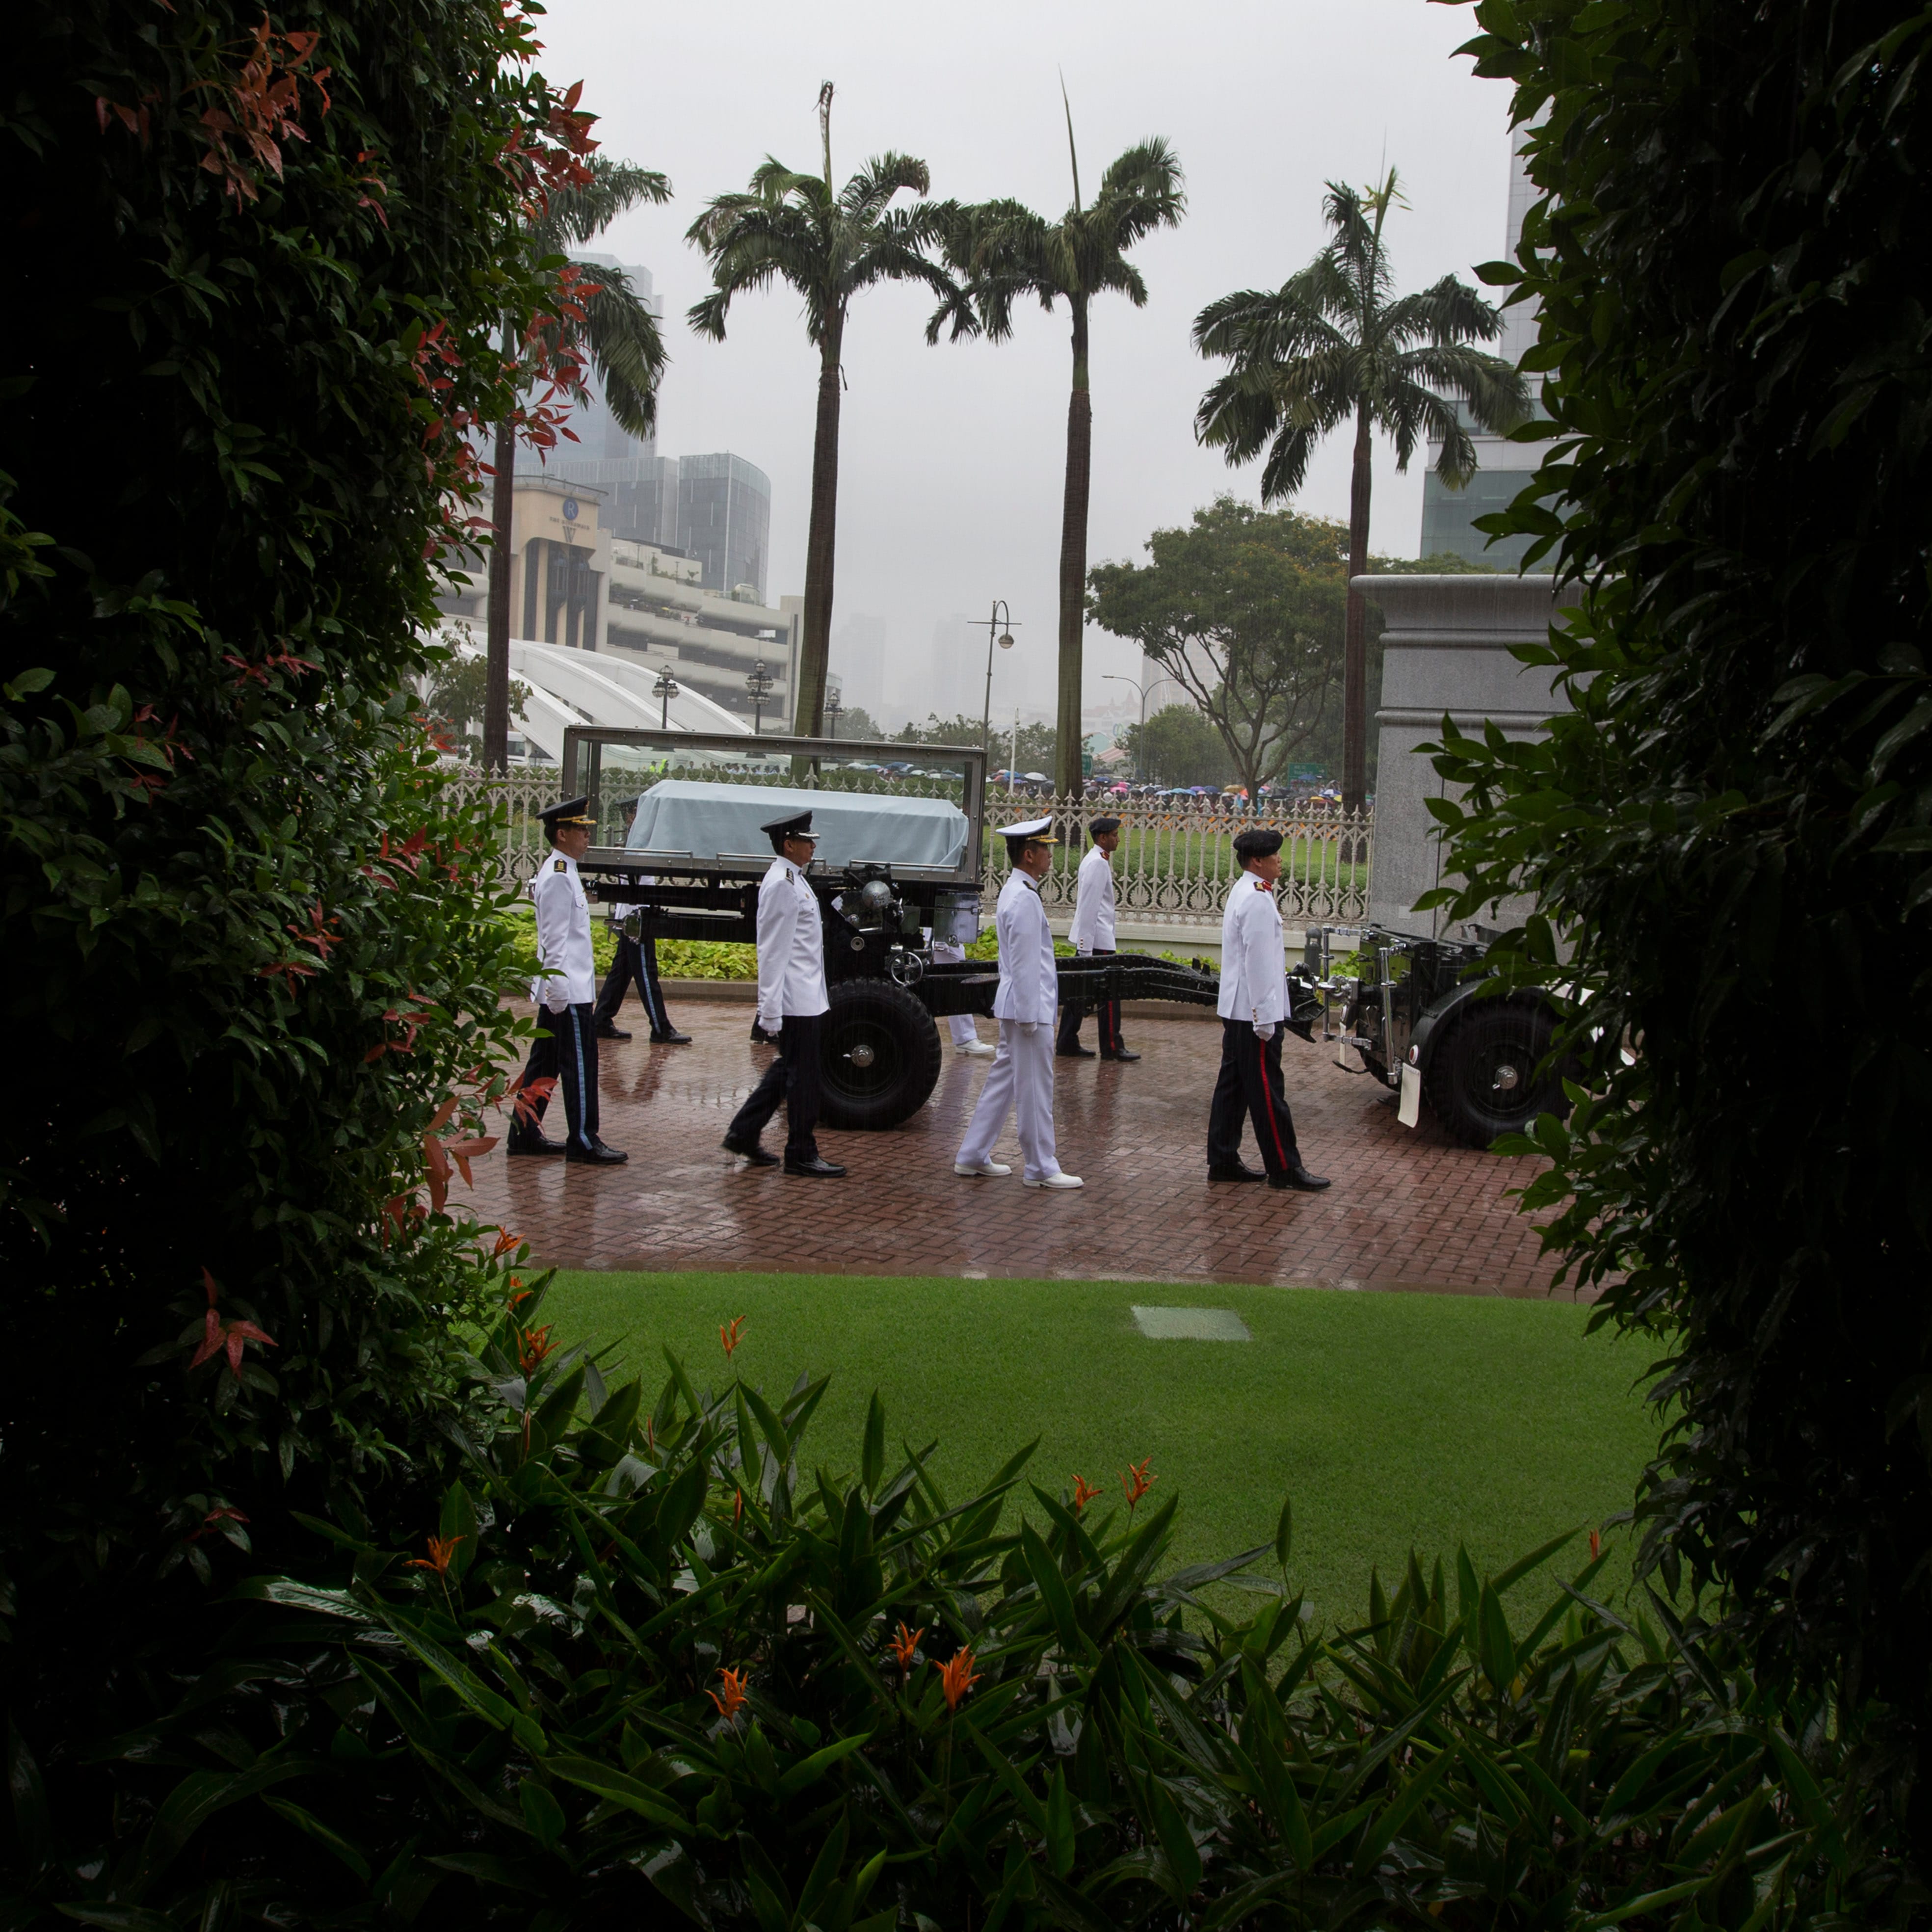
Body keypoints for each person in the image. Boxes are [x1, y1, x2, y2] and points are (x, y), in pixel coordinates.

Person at [954, 819, 1082, 1190]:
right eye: (1045, 849)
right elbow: (1026, 964)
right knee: (1035, 1088)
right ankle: (1041, 1165)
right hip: (1027, 1007)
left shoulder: (1018, 890)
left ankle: (972, 1153)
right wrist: (1031, 1016)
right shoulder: (1023, 896)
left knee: (1004, 1081)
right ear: (1028, 854)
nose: (1049, 856)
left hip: (1017, 1004)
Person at [721, 810, 845, 1177]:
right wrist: (770, 1010)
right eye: (806, 840)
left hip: (805, 995)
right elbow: (772, 951)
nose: (813, 845)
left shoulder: (794, 878)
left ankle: (743, 1133)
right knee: (802, 1078)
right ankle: (801, 1152)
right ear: (788, 844)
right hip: (793, 998)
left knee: (787, 1070)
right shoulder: (781, 883)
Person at [506, 797, 627, 1165]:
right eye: (580, 829)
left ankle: (524, 1134)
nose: (587, 834)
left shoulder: (565, 869)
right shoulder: (559, 874)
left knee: (543, 1065)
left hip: (562, 989)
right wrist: (558, 989)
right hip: (567, 991)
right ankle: (583, 1139)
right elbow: (555, 939)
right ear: (562, 833)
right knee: (579, 1065)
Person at [1206, 827, 1328, 1190]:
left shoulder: (1245, 889)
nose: (1280, 860)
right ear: (1257, 861)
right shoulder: (1256, 898)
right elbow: (1258, 964)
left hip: (1240, 1010)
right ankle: (1284, 1167)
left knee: (1233, 1088)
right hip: (1253, 1014)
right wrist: (1263, 1018)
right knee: (1267, 1091)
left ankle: (1223, 1158)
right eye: (1274, 854)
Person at [593, 795, 691, 1046]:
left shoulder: (640, 837)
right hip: (636, 914)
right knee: (647, 973)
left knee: (622, 971)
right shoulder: (636, 840)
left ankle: (601, 1020)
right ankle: (660, 1027)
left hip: (633, 912)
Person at [1056, 814, 1137, 1062]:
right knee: (1109, 996)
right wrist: (1086, 948)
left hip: (1093, 940)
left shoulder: (1096, 860)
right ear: (1103, 838)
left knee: (1079, 992)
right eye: (1114, 836)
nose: (1118, 840)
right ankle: (1112, 1046)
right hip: (1097, 942)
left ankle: (1067, 1040)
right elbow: (1089, 908)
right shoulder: (1097, 863)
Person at [928, 926, 996, 1058]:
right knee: (957, 983)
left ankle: (964, 1038)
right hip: (945, 934)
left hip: (948, 934)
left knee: (953, 983)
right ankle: (965, 1038)